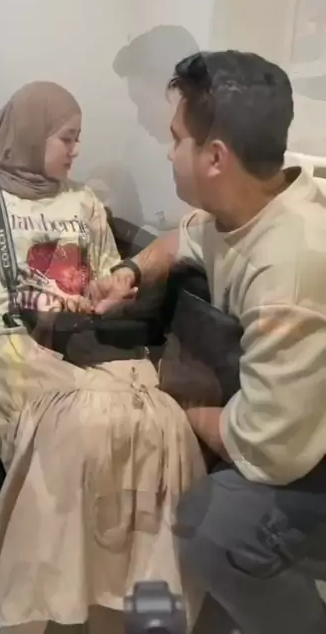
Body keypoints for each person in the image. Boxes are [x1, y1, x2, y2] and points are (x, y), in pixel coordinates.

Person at [0, 81, 206, 633]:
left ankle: (129, 607)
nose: (77, 150)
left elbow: (109, 273)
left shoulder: (84, 202)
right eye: (67, 138)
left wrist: (112, 288)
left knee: (160, 423)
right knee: (79, 425)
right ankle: (42, 607)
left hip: (78, 343)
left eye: (79, 138)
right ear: (31, 134)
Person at [91, 50, 326, 634]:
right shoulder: (243, 204)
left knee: (215, 527)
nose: (167, 152)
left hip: (306, 449)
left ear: (215, 157)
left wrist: (182, 403)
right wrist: (131, 272)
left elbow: (269, 449)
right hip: (288, 417)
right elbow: (184, 240)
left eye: (177, 140)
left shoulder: (290, 271)